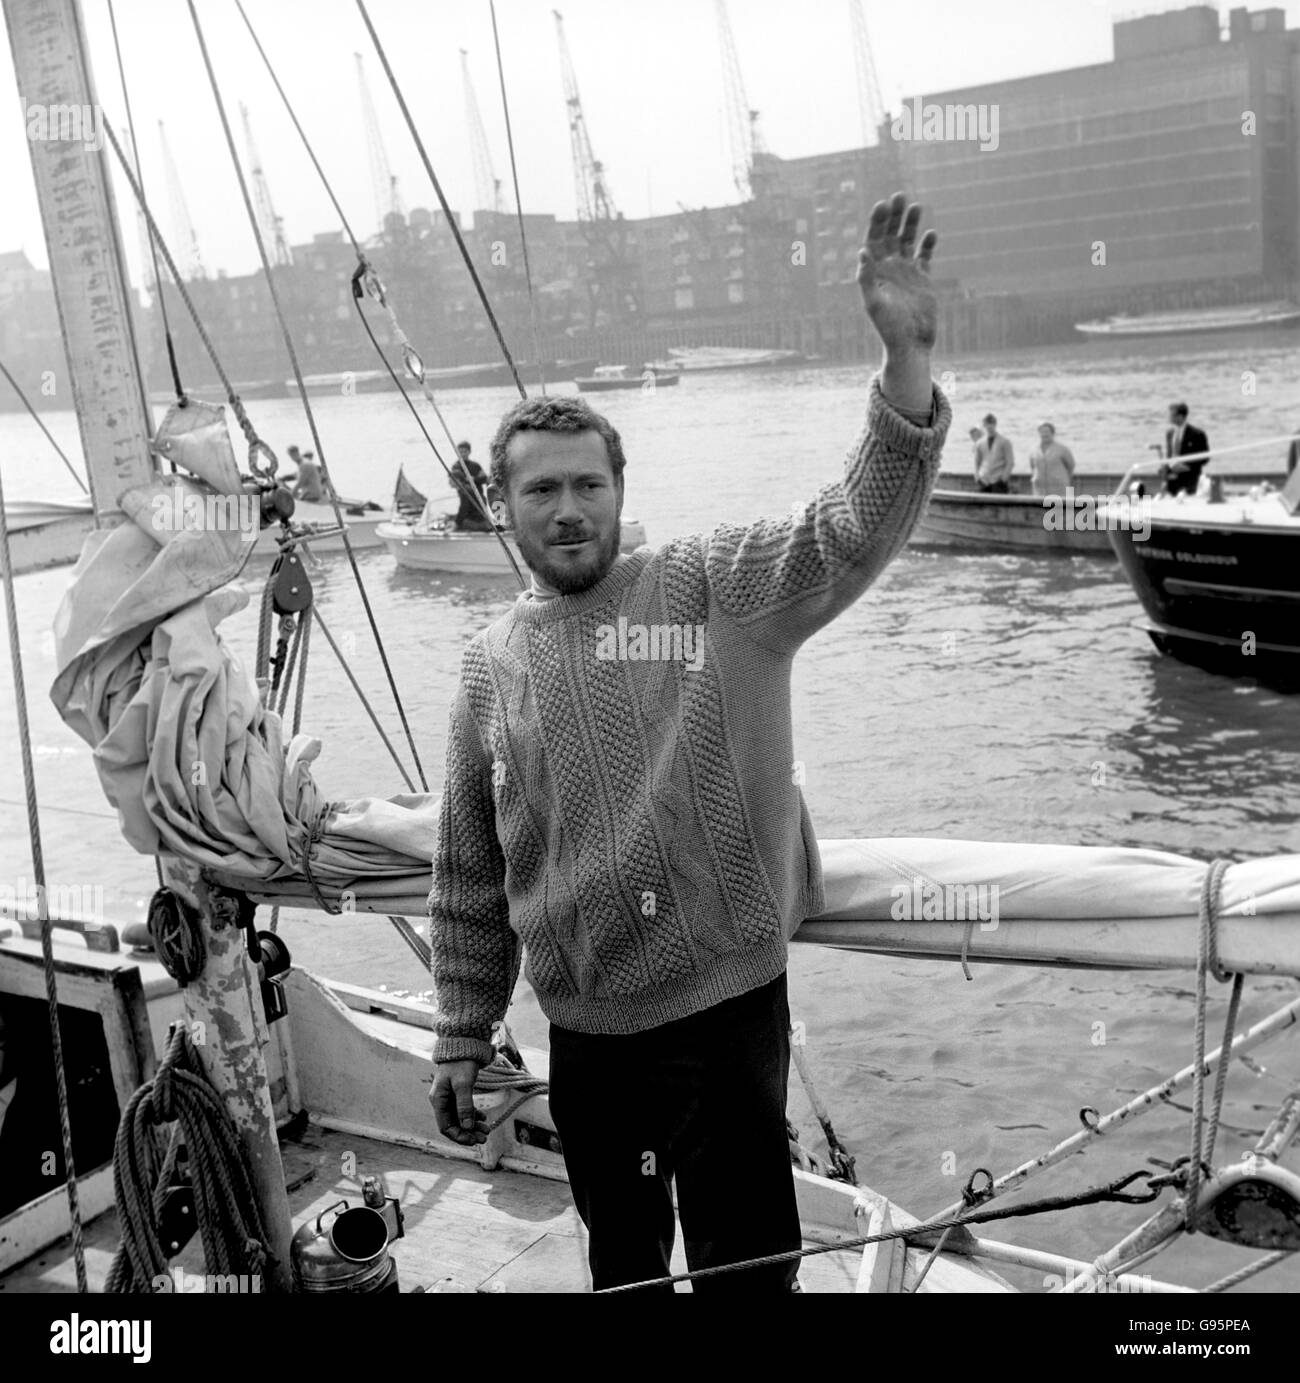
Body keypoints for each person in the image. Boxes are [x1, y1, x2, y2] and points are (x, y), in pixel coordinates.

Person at [427, 192, 951, 1294]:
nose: (567, 509)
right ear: (498, 504)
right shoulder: (486, 664)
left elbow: (847, 527)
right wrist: (461, 1034)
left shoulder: (712, 588)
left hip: (723, 1017)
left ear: (621, 491)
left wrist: (902, 369)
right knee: (621, 1263)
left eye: (588, 484)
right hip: (584, 1037)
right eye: (541, 490)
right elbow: (471, 872)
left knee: (746, 1271)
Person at [1162, 403, 1209, 496]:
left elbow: (1205, 458)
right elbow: (1169, 455)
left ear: (1180, 416)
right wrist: (1165, 473)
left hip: (1190, 478)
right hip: (1172, 478)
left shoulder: (1197, 434)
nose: (1169, 418)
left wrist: (1187, 466)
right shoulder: (1169, 433)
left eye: (1172, 415)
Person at [448, 441, 492, 532]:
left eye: (465, 451)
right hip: (474, 504)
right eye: (460, 451)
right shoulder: (456, 466)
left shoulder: (475, 466)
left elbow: (485, 479)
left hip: (477, 504)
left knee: (461, 520)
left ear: (469, 452)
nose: (463, 454)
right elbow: (459, 476)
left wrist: (474, 479)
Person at [1028, 421, 1076, 497]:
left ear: (1053, 433)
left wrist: (1064, 479)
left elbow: (1071, 466)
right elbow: (1032, 467)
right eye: (1042, 432)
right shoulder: (1034, 450)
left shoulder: (1062, 449)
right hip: (1039, 490)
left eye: (1047, 432)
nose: (1044, 434)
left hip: (1059, 489)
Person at [974, 413, 1014, 493]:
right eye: (987, 424)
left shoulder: (1005, 442)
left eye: (991, 424)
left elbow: (1010, 462)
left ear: (995, 424)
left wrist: (1003, 479)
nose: (989, 426)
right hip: (983, 480)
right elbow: (977, 461)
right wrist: (977, 476)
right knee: (982, 504)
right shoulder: (979, 443)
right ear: (984, 426)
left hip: (999, 481)